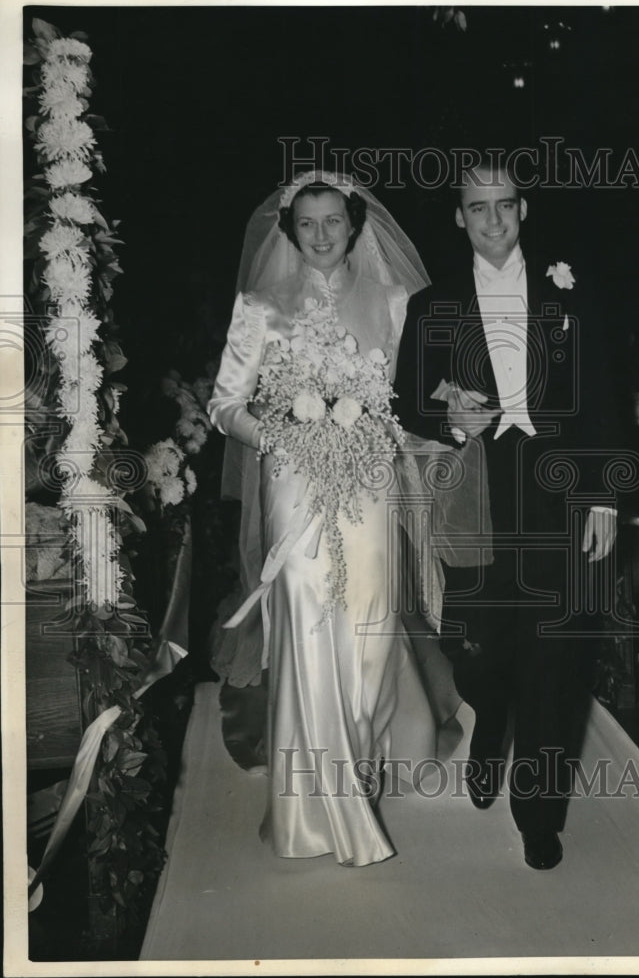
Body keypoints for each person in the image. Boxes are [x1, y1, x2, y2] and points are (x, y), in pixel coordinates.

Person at [393, 157, 638, 870]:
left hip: (563, 490)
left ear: (522, 209)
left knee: (556, 657)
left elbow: (602, 400)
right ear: (458, 217)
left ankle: (537, 812)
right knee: (479, 653)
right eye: (477, 208)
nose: (492, 219)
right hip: (477, 494)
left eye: (504, 205)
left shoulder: (572, 293)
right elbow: (407, 401)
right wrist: (448, 417)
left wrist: (602, 493)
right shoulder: (431, 305)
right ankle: (488, 718)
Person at [208, 170, 436, 866]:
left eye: (332, 220)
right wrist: (282, 436)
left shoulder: (395, 302)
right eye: (305, 223)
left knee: (368, 625)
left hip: (368, 479)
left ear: (354, 222)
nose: (320, 235)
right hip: (292, 482)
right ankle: (312, 806)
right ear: (289, 230)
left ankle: (361, 765)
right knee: (308, 620)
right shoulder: (259, 305)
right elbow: (225, 406)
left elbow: (413, 401)